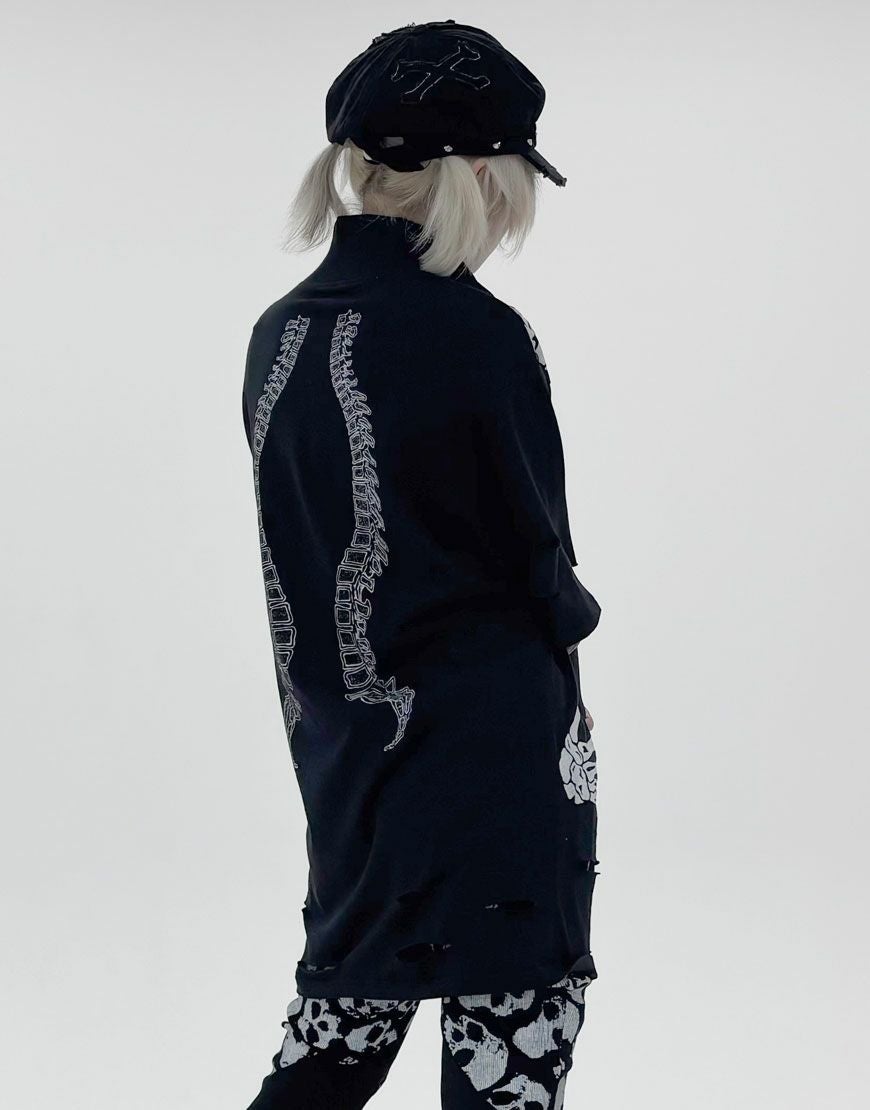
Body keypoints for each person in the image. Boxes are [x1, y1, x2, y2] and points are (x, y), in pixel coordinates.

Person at [241, 20, 602, 1109]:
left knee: (332, 1049)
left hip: (349, 769)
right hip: (496, 769)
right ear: (481, 176)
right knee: (510, 1060)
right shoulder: (479, 334)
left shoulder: (279, 333)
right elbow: (539, 559)